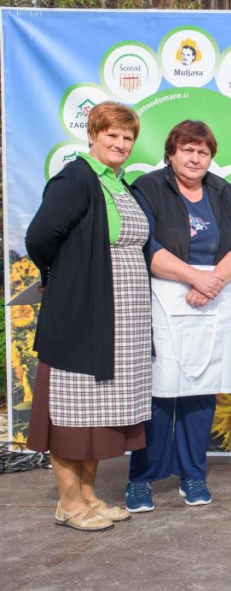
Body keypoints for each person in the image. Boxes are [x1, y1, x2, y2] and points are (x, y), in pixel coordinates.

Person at [25, 101, 150, 531]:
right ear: (92, 135)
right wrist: (62, 276)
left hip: (123, 319)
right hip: (84, 311)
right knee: (72, 409)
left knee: (102, 410)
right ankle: (68, 503)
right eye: (111, 134)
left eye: (127, 137)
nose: (120, 143)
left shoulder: (119, 183)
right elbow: (40, 236)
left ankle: (90, 496)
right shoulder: (76, 178)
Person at [125, 120, 231, 512]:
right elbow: (147, 246)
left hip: (213, 298)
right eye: (188, 150)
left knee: (202, 391)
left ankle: (193, 474)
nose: (195, 159)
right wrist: (194, 277)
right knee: (159, 394)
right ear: (171, 153)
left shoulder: (223, 191)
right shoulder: (148, 188)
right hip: (165, 296)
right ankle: (142, 479)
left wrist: (212, 281)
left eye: (203, 152)